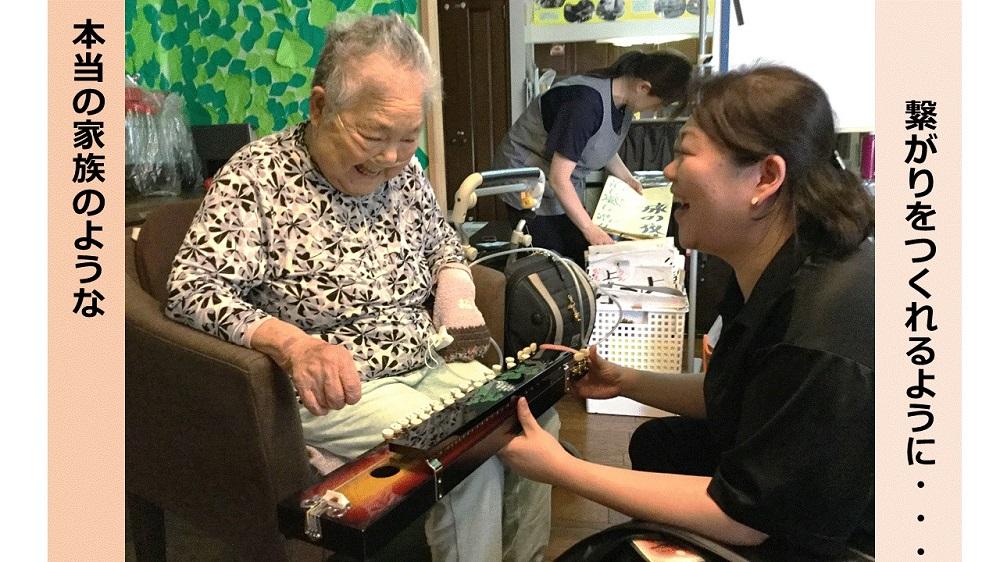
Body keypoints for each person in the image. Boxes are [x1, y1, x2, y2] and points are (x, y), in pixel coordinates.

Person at [165, 15, 556, 562]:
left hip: (428, 360)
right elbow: (191, 287)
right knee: (467, 454)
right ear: (320, 106)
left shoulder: (405, 174)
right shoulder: (256, 175)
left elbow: (442, 242)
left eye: (408, 138)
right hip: (347, 387)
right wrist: (294, 344)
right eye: (373, 136)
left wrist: (456, 290)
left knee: (536, 418)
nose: (392, 158)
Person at [499, 65, 875, 560]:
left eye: (686, 154)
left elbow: (744, 516)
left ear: (765, 177)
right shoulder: (780, 264)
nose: (669, 172)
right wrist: (625, 381)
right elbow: (737, 391)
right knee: (661, 444)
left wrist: (563, 469)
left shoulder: (817, 331)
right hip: (789, 499)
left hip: (835, 543)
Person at [493, 50, 692, 266]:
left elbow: (600, 144)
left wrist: (627, 178)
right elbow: (559, 179)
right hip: (529, 178)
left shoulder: (623, 103)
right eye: (658, 105)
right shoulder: (584, 104)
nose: (654, 111)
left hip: (561, 179)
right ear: (643, 88)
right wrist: (589, 229)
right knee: (549, 258)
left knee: (576, 249)